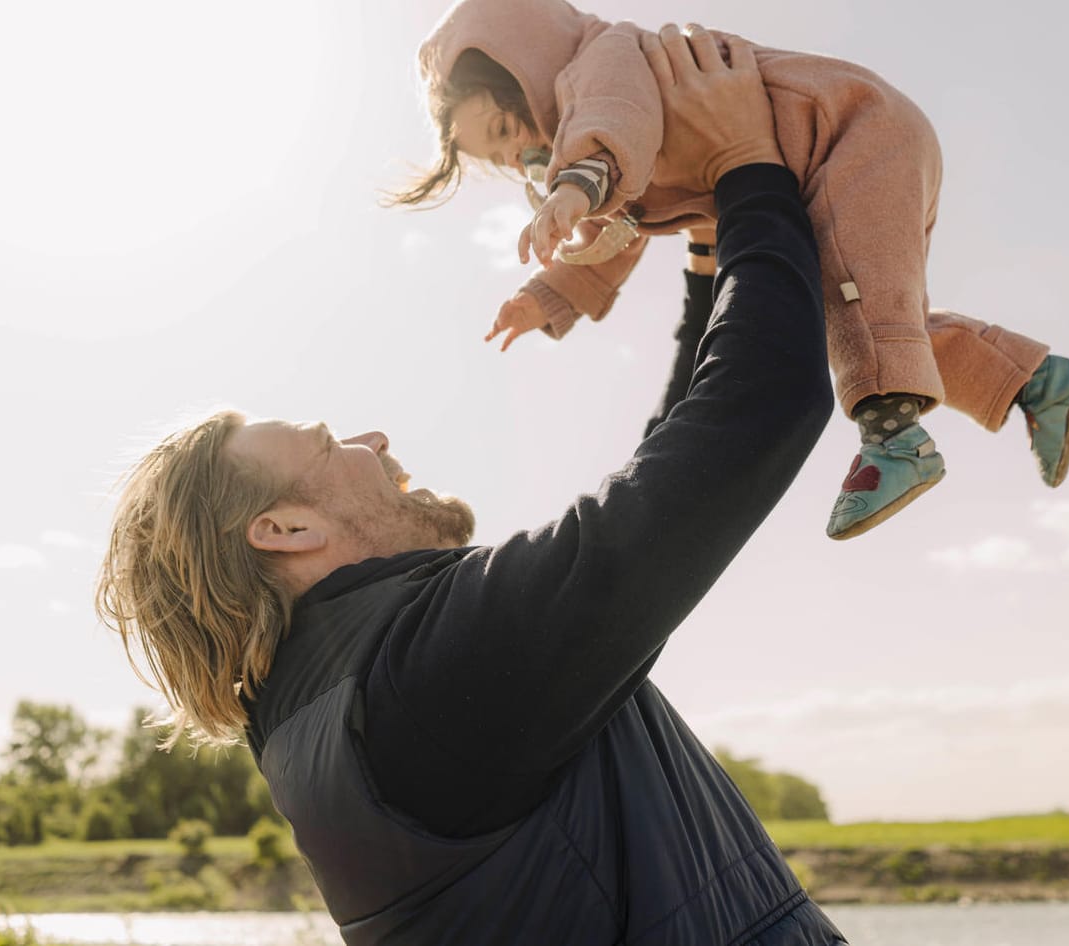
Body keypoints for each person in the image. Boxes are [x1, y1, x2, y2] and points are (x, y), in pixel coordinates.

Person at [98, 29, 849, 946]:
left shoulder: (327, 713)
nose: (374, 440)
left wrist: (705, 261)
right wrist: (745, 168)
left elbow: (664, 481)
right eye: (331, 442)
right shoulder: (427, 671)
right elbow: (752, 416)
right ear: (285, 529)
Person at [394, 0, 1069, 540]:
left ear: (521, 68)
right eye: (503, 159)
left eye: (505, 132)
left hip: (847, 131)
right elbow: (619, 236)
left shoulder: (603, 61)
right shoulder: (597, 145)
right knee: (850, 319)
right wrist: (548, 294)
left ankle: (895, 443)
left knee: (859, 303)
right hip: (799, 167)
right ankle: (1031, 380)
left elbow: (614, 126)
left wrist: (573, 188)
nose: (520, 156)